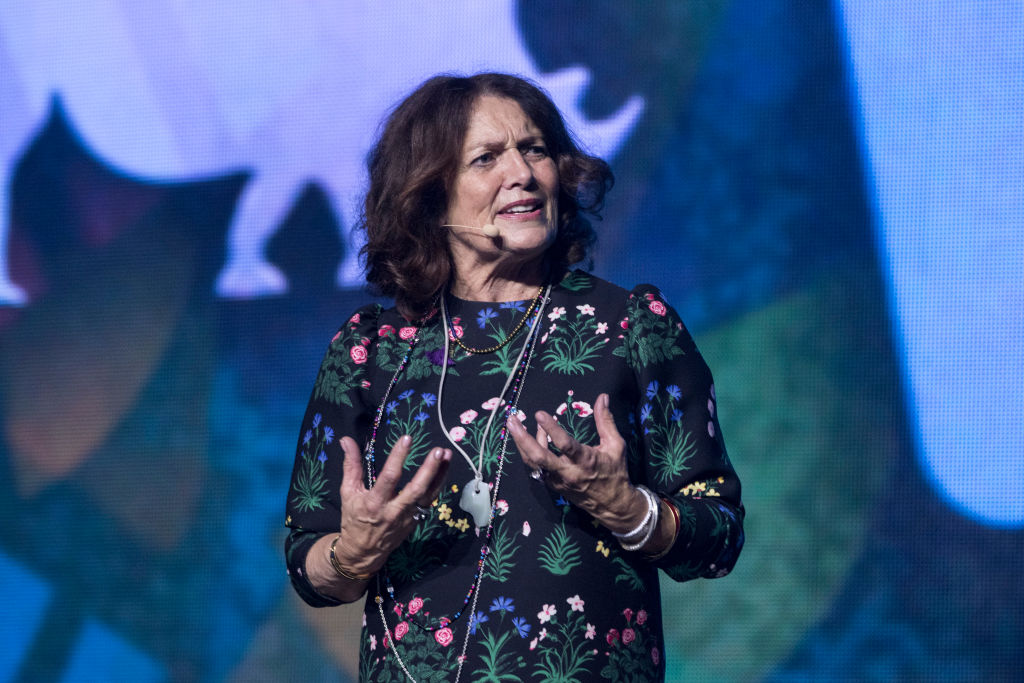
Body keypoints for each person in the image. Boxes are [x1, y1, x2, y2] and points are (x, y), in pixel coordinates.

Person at [284, 72, 744, 682]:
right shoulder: (369, 351)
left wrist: (630, 510)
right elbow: (305, 561)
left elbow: (718, 535)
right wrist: (351, 554)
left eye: (535, 150)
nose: (522, 173)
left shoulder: (632, 326)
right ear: (430, 196)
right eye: (486, 158)